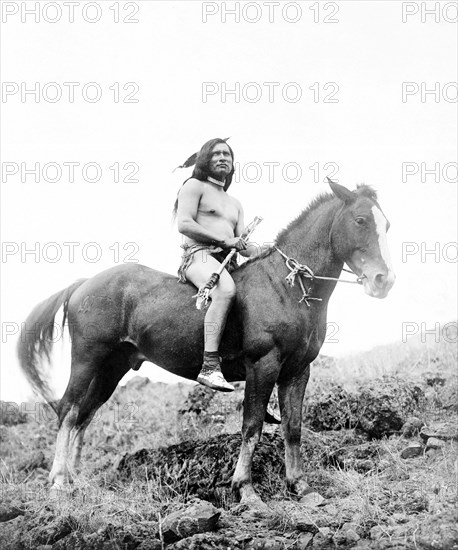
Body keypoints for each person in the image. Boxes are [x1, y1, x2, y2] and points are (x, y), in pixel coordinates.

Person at [174, 138, 262, 392]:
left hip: (228, 262)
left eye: (227, 154)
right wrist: (225, 240)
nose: (223, 157)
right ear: (205, 159)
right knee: (224, 290)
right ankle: (209, 367)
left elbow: (243, 245)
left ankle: (257, 384)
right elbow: (185, 224)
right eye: (217, 154)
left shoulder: (235, 204)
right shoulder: (194, 186)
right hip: (198, 255)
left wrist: (268, 250)